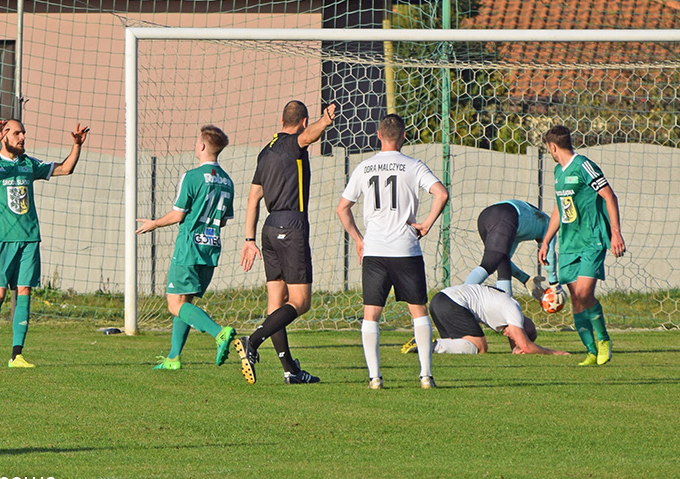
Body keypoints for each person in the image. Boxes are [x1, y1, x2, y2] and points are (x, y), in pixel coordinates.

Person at [336, 113, 448, 390]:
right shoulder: (413, 166)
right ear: (404, 137)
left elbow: (342, 208)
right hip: (406, 249)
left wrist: (359, 240)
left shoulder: (364, 167)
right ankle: (425, 376)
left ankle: (375, 377)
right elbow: (441, 193)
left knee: (371, 315)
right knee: (418, 312)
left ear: (377, 135)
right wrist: (426, 224)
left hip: (374, 251)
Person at [0, 119, 90, 368]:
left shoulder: (28, 164)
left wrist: (76, 146)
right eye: (17, 133)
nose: (22, 137)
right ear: (4, 136)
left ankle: (17, 355)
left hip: (29, 238)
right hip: (0, 239)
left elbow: (65, 169)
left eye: (23, 133)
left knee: (24, 292)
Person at [236, 100, 336, 385]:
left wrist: (249, 239)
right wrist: (326, 121)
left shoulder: (265, 152)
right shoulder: (295, 143)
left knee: (275, 304)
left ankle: (290, 369)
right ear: (302, 121)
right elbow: (309, 136)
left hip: (268, 229)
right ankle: (251, 341)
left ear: (281, 120)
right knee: (301, 302)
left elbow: (253, 198)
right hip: (291, 226)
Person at [136, 125, 237, 370]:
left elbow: (178, 215)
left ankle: (219, 332)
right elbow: (223, 220)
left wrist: (154, 224)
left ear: (202, 146)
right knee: (185, 302)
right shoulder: (228, 181)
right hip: (210, 248)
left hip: (189, 247)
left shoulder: (191, 176)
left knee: (174, 304)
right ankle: (173, 358)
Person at [539, 125, 626, 366]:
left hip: (592, 240)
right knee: (575, 299)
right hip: (568, 244)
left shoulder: (585, 166)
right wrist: (546, 240)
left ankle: (604, 339)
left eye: (548, 148)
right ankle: (590, 351)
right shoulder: (558, 172)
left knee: (585, 293)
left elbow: (610, 196)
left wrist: (615, 233)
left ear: (552, 146)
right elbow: (560, 207)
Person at [429, 284, 569, 356]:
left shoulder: (506, 310)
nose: (507, 335)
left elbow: (522, 346)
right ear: (519, 325)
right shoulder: (513, 310)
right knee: (480, 346)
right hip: (452, 303)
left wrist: (515, 349)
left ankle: (424, 344)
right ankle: (429, 344)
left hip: (438, 299)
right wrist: (553, 352)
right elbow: (526, 346)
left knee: (455, 345)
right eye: (518, 334)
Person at [464, 200, 559, 299]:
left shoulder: (518, 230)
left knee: (503, 264)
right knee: (489, 264)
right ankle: (458, 299)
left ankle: (505, 310)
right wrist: (554, 285)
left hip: (485, 216)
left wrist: (525, 279)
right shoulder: (549, 224)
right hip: (505, 216)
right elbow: (549, 256)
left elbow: (507, 262)